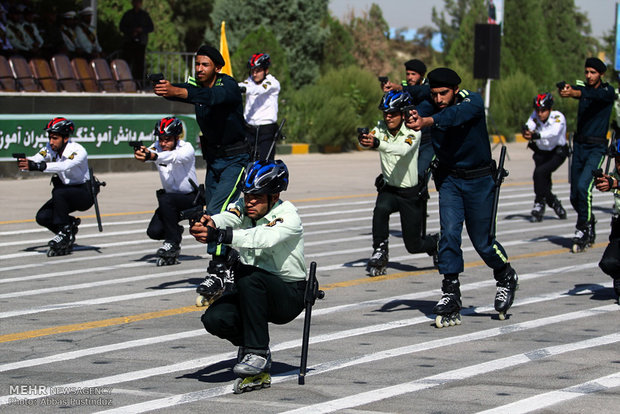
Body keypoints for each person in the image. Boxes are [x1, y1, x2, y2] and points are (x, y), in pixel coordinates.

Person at [408, 67, 519, 327]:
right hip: (449, 180)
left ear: (455, 90)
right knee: (449, 234)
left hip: (479, 180)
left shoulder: (473, 101)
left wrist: (427, 122)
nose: (438, 99)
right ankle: (450, 291)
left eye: (443, 93)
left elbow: (455, 115)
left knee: (483, 242)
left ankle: (505, 276)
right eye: (434, 94)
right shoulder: (429, 104)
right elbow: (411, 113)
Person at [189, 159, 305, 392]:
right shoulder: (245, 204)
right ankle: (257, 350)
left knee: (249, 275)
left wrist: (220, 236)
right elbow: (229, 216)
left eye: (258, 197)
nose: (250, 201)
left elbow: (262, 238)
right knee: (215, 318)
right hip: (250, 290)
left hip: (287, 294)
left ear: (274, 196)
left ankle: (257, 352)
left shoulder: (288, 215)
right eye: (248, 195)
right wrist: (210, 221)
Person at [154, 45, 249, 291]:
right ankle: (228, 259)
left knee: (217, 211)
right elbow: (186, 91)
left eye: (205, 65)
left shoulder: (227, 86)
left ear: (217, 67)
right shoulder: (197, 88)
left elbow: (208, 98)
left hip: (235, 160)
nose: (199, 69)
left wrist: (178, 91)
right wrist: (166, 89)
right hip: (214, 161)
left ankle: (218, 268)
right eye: (197, 64)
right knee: (211, 211)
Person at [358, 90, 438, 276]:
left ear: (403, 114)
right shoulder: (380, 128)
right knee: (380, 209)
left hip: (409, 193)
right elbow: (371, 139)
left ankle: (436, 243)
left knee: (413, 245)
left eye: (392, 113)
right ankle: (380, 249)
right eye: (385, 113)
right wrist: (364, 140)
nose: (388, 117)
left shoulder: (413, 132)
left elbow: (401, 150)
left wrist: (377, 143)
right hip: (389, 189)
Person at [558, 57, 615, 252]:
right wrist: (566, 90)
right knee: (575, 195)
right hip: (579, 146)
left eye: (593, 72)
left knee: (584, 187)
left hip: (596, 148)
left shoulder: (607, 91)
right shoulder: (583, 87)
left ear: (601, 74)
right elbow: (576, 89)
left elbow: (589, 94)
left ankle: (583, 228)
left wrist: (575, 92)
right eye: (587, 72)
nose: (589, 76)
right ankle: (589, 220)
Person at [14, 117, 93, 256]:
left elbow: (64, 166)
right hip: (65, 194)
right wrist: (25, 163)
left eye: (55, 138)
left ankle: (64, 231)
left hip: (84, 194)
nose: (51, 141)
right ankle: (68, 227)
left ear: (66, 138)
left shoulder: (78, 150)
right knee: (42, 217)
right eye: (50, 137)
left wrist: (37, 166)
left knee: (59, 192)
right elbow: (37, 158)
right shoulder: (50, 148)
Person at [133, 116, 199, 266]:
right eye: (161, 139)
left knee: (165, 199)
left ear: (177, 137)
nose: (163, 143)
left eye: (167, 139)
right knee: (153, 232)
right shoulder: (158, 147)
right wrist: (142, 153)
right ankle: (174, 231)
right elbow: (149, 152)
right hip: (170, 201)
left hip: (190, 198)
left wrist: (153, 155)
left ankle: (172, 242)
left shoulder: (186, 148)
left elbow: (172, 157)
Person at [522, 92, 569, 222]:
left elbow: (553, 132)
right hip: (541, 152)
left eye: (543, 110)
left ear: (550, 109)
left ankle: (539, 203)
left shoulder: (558, 117)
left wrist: (535, 136)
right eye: (537, 110)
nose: (540, 113)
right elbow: (529, 125)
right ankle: (553, 203)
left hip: (557, 152)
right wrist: (525, 130)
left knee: (539, 173)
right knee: (544, 180)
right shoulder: (535, 116)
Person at [238, 53, 281, 161]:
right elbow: (243, 85)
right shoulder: (250, 81)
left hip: (266, 130)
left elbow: (259, 90)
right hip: (249, 129)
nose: (255, 74)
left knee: (264, 164)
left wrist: (243, 89)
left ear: (266, 71)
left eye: (258, 71)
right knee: (246, 162)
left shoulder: (272, 83)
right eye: (252, 70)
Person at [594, 137, 620, 302]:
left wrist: (616, 184)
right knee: (608, 263)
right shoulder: (616, 175)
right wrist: (604, 181)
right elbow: (612, 182)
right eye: (618, 161)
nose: (619, 165)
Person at [119, 0, 153, 85]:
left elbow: (150, 27)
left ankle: (139, 84)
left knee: (139, 66)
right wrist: (131, 31)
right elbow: (122, 27)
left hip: (140, 44)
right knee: (126, 64)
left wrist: (141, 30)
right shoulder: (128, 14)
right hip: (129, 43)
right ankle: (125, 83)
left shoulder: (144, 15)